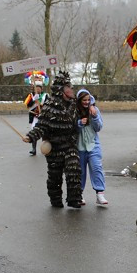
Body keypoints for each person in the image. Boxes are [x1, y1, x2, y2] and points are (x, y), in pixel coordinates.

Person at [24, 71, 82, 208]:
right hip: (54, 147)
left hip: (70, 144)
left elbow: (86, 105)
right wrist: (31, 136)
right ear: (62, 90)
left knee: (74, 169)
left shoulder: (74, 104)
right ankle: (56, 200)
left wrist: (92, 109)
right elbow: (42, 126)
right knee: (55, 176)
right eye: (69, 87)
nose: (72, 89)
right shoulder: (50, 105)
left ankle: (74, 199)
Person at [75, 88, 107, 206]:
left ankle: (100, 194)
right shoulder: (74, 111)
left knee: (97, 168)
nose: (86, 102)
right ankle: (79, 194)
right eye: (84, 100)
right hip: (79, 147)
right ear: (79, 100)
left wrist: (94, 117)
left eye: (88, 100)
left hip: (93, 145)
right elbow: (71, 129)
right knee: (80, 172)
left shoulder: (94, 110)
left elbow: (98, 127)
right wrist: (79, 123)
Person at [24, 78, 47, 156]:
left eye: (39, 88)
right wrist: (34, 99)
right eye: (36, 88)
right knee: (34, 131)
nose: (37, 89)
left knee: (45, 132)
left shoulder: (46, 96)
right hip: (35, 117)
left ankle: (46, 148)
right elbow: (27, 104)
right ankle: (34, 149)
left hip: (44, 117)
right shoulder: (31, 95)